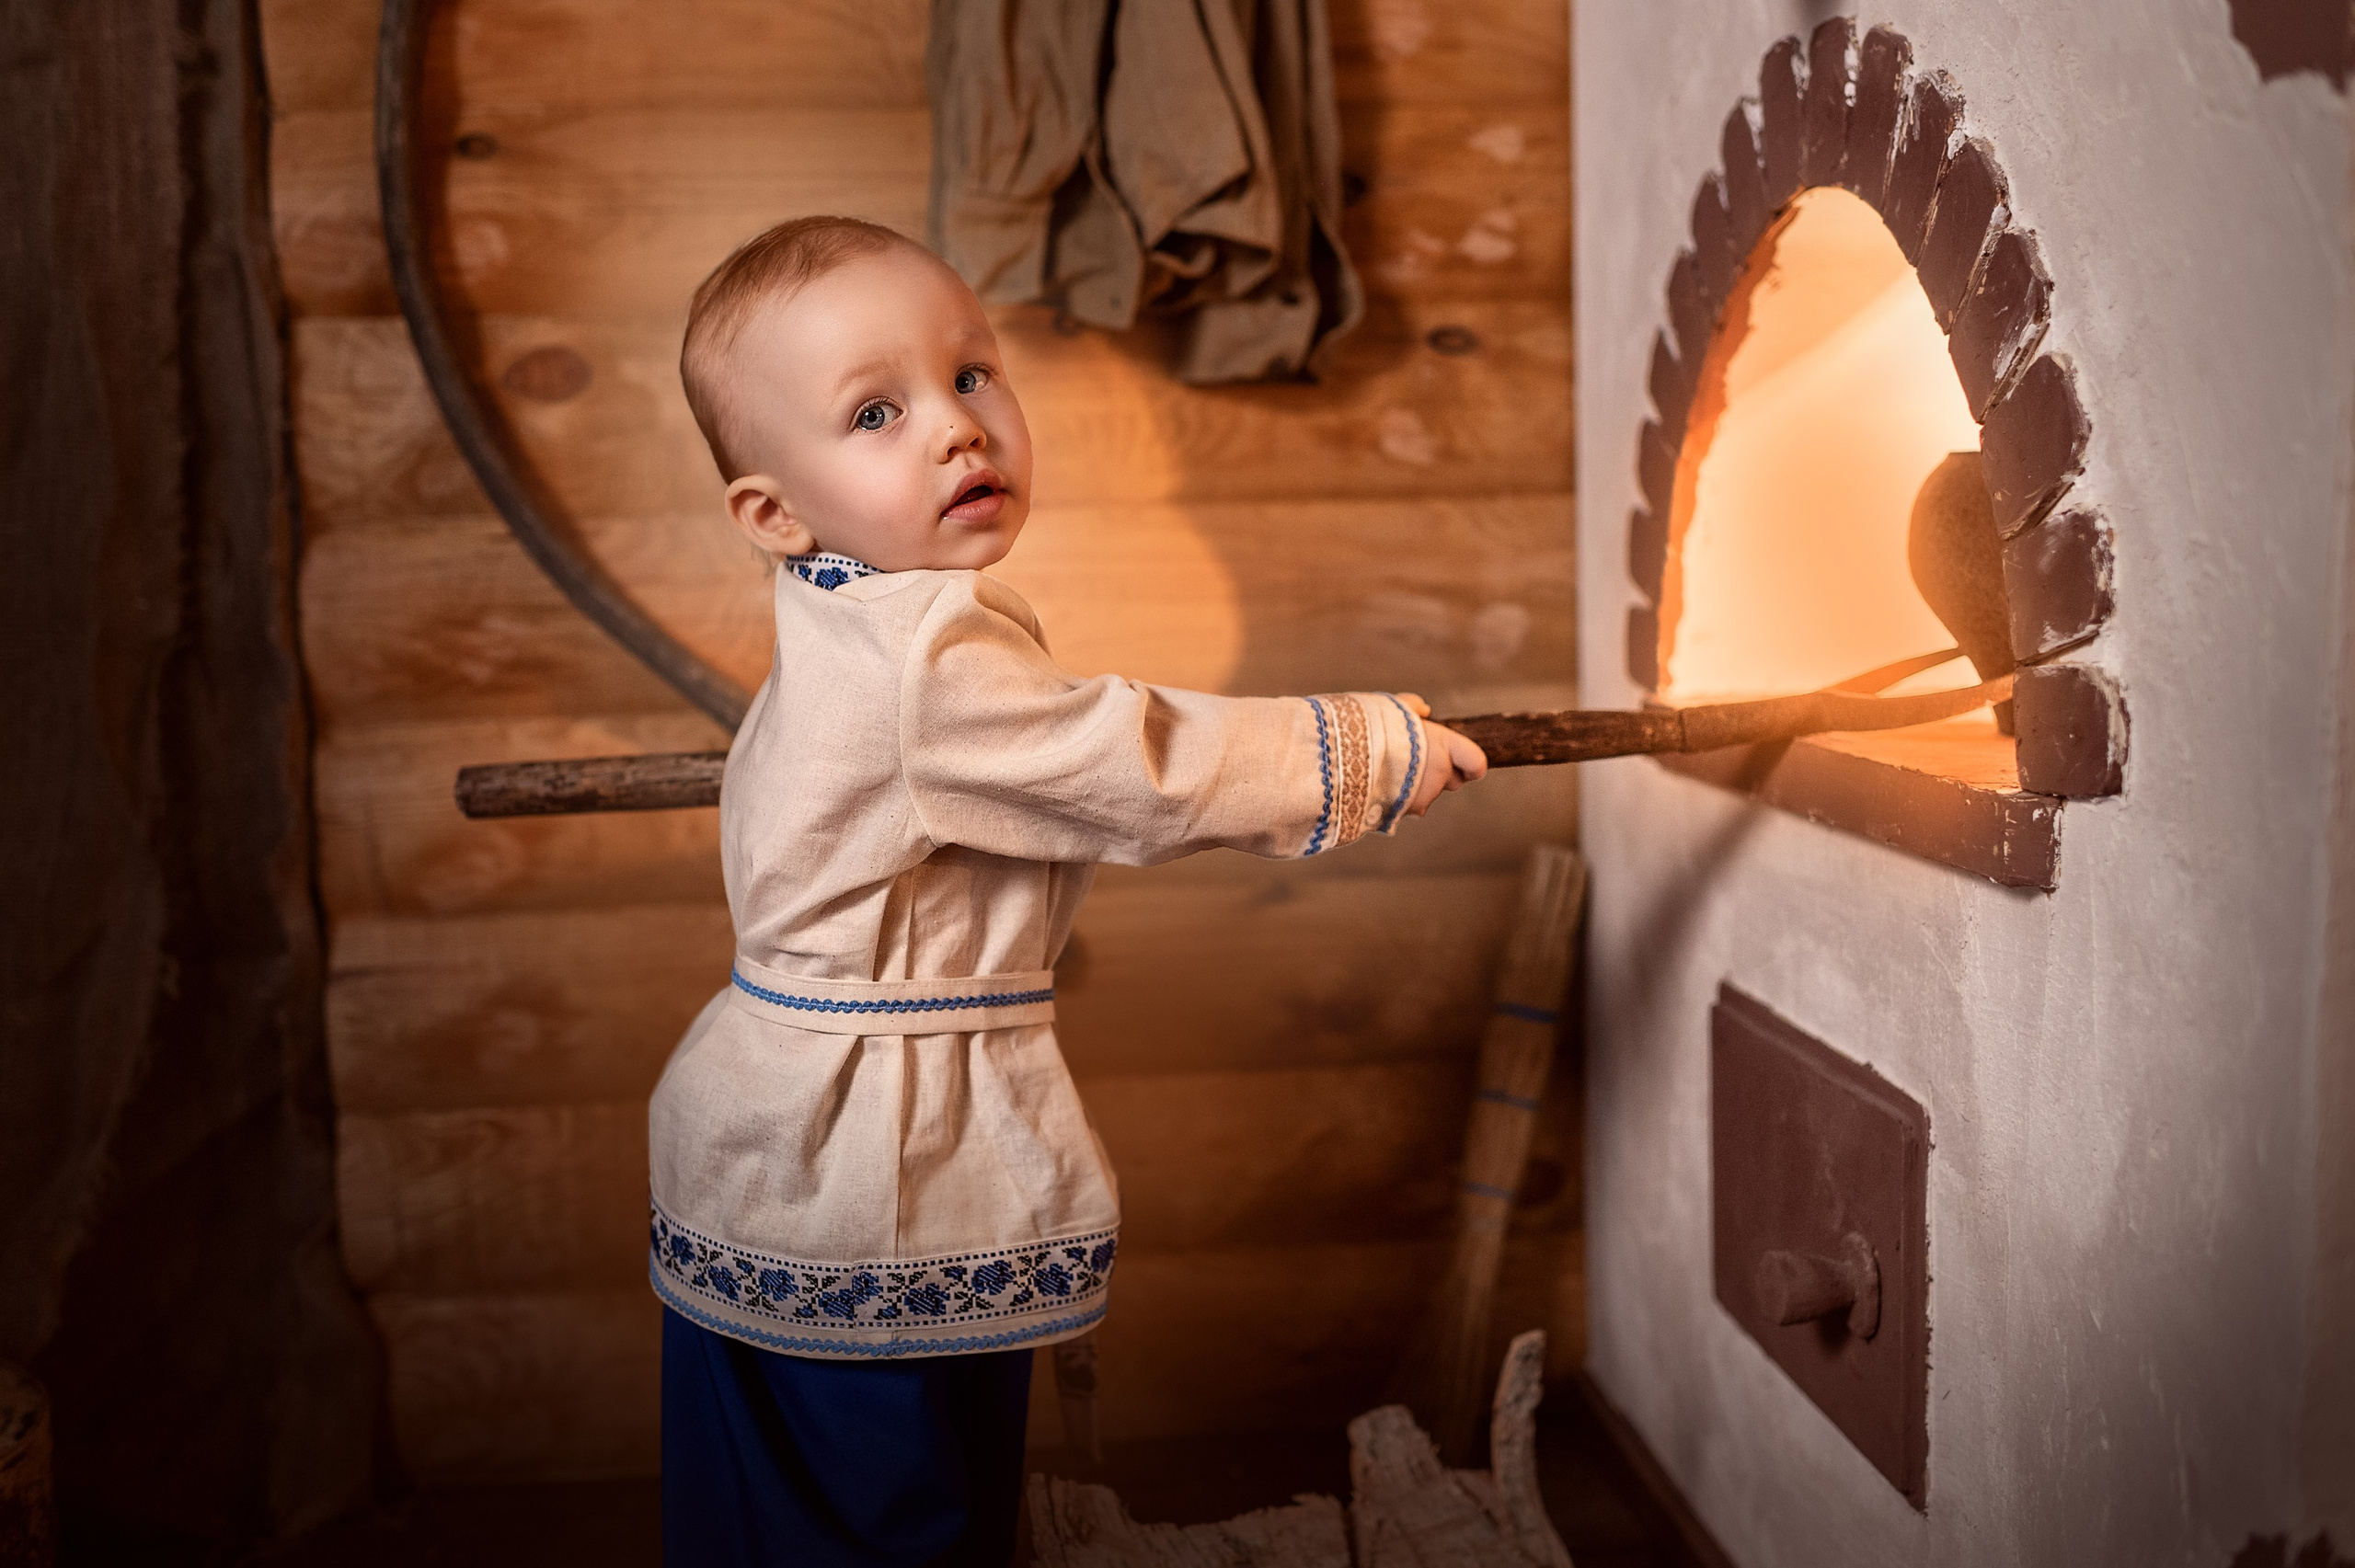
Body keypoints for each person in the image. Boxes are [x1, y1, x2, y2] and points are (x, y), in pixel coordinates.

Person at [648, 215, 1487, 1565]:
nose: (957, 429)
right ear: (772, 511)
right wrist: (1367, 750)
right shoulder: (920, 657)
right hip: (856, 1155)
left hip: (768, 1136)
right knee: (895, 1512)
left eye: (973, 374)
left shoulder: (847, 620)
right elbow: (1135, 761)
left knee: (777, 1508)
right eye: (878, 410)